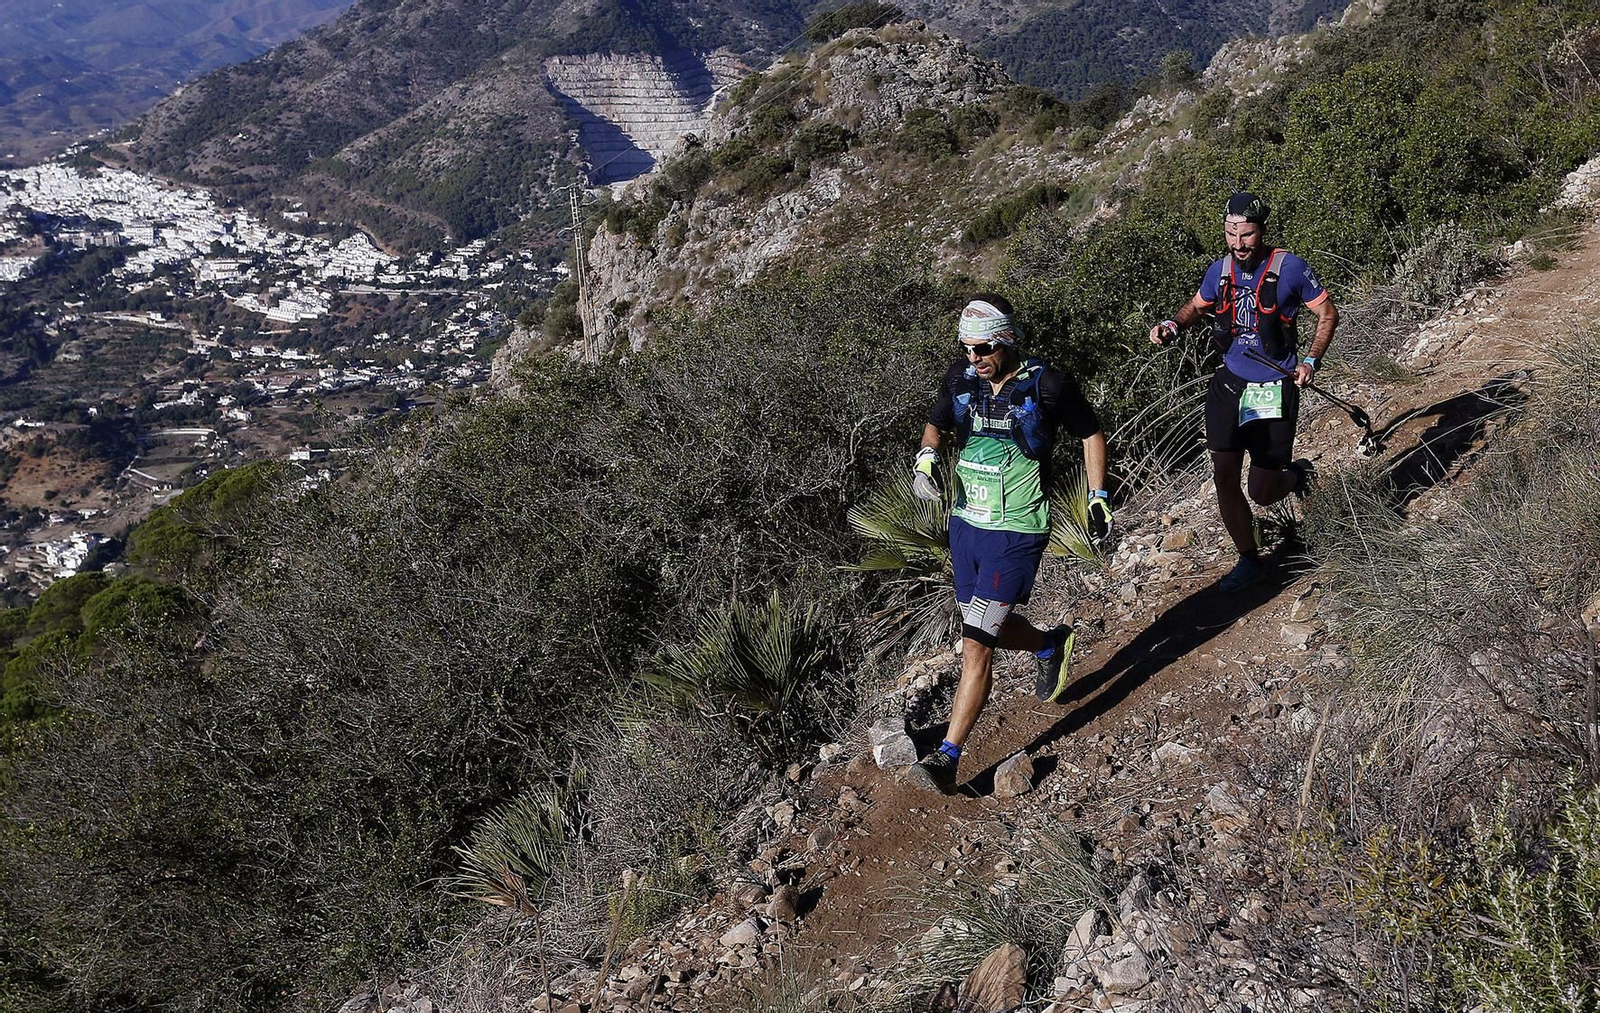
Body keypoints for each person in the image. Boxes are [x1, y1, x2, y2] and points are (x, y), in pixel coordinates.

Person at [904, 294, 1111, 794]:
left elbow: (1091, 432)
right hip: (966, 525)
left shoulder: (1048, 384)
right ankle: (1049, 643)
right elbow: (937, 422)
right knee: (980, 626)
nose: (973, 358)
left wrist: (1098, 495)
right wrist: (927, 455)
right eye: (966, 347)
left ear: (1007, 340)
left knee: (976, 645)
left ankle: (948, 757)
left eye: (983, 348)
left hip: (1016, 528)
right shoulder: (960, 379)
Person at [1149, 192, 1339, 592]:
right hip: (1229, 384)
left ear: (1262, 230)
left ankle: (1297, 475)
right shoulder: (1219, 271)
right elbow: (1197, 306)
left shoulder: (1290, 268)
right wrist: (1172, 325)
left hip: (1274, 387)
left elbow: (1327, 313)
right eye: (1231, 234)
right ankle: (1249, 559)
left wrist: (1311, 361)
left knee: (1262, 491)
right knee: (1224, 476)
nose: (1238, 244)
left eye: (1247, 235)